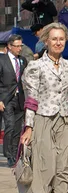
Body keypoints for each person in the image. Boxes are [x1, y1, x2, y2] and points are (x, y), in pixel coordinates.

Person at [20, 23, 68, 193]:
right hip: (43, 120)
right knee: (45, 167)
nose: (58, 42)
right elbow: (31, 99)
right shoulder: (36, 67)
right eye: (54, 39)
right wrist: (29, 127)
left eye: (62, 39)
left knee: (64, 168)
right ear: (46, 41)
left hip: (64, 122)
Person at [0, 34, 27, 166]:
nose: (19, 49)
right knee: (9, 125)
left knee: (17, 127)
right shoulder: (2, 60)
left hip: (20, 98)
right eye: (16, 46)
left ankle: (16, 153)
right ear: (9, 46)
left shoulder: (22, 60)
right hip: (6, 98)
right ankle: (8, 154)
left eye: (20, 46)